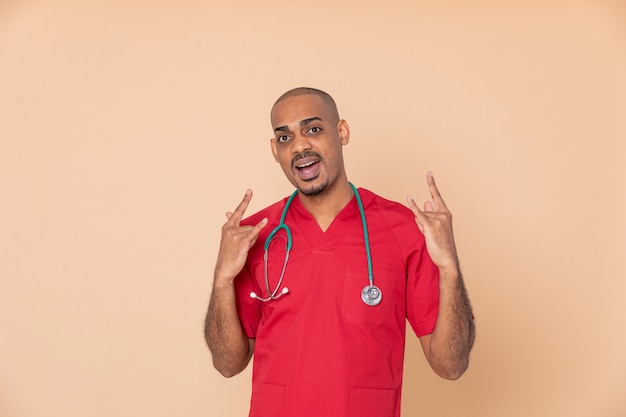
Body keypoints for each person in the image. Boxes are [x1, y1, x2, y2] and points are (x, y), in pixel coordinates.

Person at [204, 87, 475, 417]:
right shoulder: (255, 235)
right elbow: (228, 364)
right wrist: (221, 280)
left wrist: (449, 268)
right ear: (275, 151)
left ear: (342, 132)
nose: (300, 145)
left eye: (313, 129)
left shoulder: (404, 229)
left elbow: (451, 365)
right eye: (285, 138)